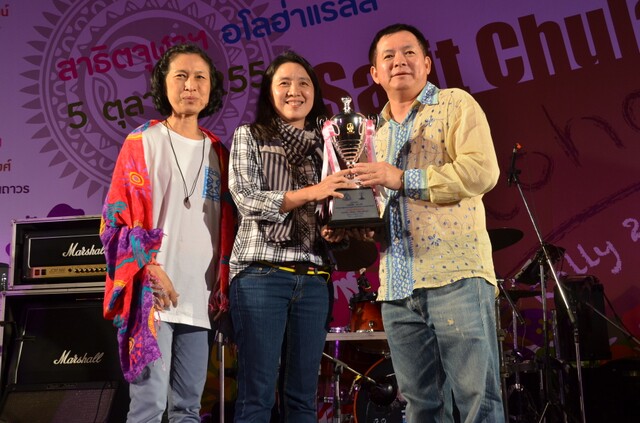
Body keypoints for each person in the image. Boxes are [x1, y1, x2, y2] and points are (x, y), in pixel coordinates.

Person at [348, 23, 505, 422]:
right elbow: (381, 202)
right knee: (420, 408)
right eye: (388, 56)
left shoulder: (455, 104)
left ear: (427, 64)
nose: (399, 61)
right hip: (397, 288)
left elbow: (481, 171)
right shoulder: (373, 134)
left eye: (409, 53)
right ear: (375, 73)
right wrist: (355, 225)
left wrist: (403, 178)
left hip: (456, 276)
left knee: (478, 401)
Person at [100, 43, 236, 422]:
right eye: (181, 76)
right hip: (152, 296)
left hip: (200, 298)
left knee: (188, 409)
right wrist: (150, 267)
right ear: (164, 84)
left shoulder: (220, 152)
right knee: (149, 406)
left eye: (200, 77)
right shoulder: (143, 142)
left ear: (211, 88)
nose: (190, 85)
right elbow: (114, 222)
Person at [227, 50, 357, 423]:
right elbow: (247, 199)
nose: (294, 91)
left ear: (315, 91)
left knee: (303, 400)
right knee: (257, 397)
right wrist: (312, 192)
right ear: (270, 92)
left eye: (303, 83)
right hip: (260, 276)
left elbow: (331, 208)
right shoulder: (250, 135)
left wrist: (335, 230)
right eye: (283, 83)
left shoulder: (329, 144)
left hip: (314, 278)